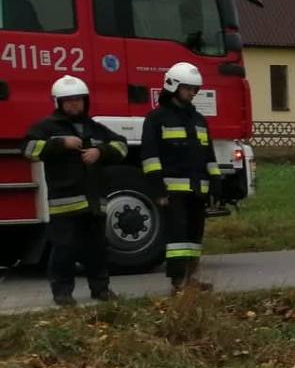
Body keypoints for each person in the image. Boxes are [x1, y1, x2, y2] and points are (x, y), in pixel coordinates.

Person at [23, 76, 127, 306]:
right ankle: (62, 293)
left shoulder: (95, 127)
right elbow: (29, 148)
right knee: (64, 249)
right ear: (58, 102)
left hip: (94, 203)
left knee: (97, 250)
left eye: (78, 100)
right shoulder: (46, 127)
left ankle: (101, 289)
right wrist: (60, 144)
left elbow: (121, 145)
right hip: (65, 203)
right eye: (68, 100)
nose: (74, 104)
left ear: (85, 101)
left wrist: (101, 152)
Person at [142, 62, 219, 293]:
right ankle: (178, 282)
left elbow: (208, 154)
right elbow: (150, 157)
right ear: (173, 86)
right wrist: (158, 190)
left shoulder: (198, 120)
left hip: (198, 189)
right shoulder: (157, 118)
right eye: (188, 88)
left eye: (195, 89)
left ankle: (192, 277)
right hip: (172, 191)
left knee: (194, 236)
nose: (192, 93)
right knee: (177, 239)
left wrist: (215, 183)